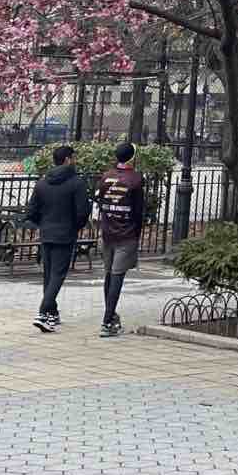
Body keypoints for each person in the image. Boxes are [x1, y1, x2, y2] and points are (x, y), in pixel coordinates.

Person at [24, 144, 91, 333]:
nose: (75, 161)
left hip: (47, 233)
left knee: (49, 274)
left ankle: (51, 313)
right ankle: (44, 311)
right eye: (74, 158)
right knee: (57, 275)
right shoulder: (76, 183)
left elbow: (31, 211)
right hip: (65, 233)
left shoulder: (43, 182)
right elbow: (82, 212)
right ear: (68, 160)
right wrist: (74, 226)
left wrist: (43, 223)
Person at [94, 140, 146, 338]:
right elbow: (138, 211)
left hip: (108, 232)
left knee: (109, 274)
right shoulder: (136, 179)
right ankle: (108, 320)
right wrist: (136, 233)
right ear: (132, 157)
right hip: (126, 234)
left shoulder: (106, 177)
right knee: (117, 276)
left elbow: (99, 199)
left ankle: (110, 315)